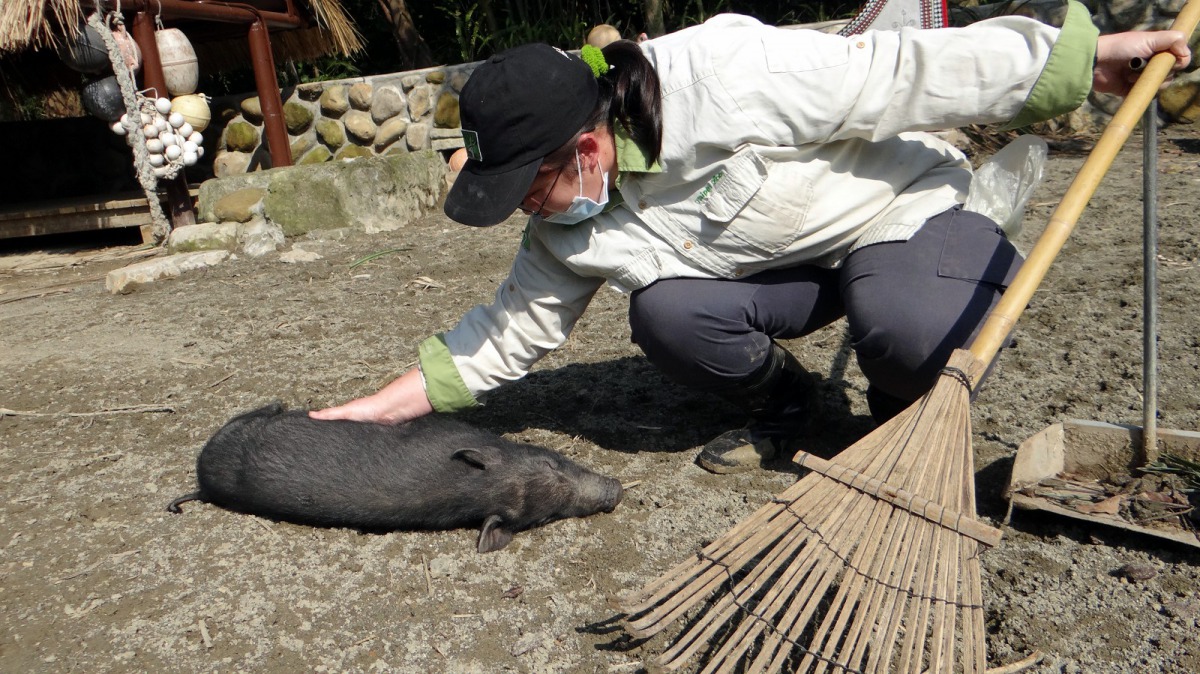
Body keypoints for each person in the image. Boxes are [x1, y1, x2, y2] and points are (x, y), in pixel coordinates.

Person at [313, 2, 1190, 474]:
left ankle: (901, 426)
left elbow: (901, 72)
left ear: (583, 146)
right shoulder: (566, 227)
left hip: (897, 216)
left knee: (905, 336)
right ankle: (794, 413)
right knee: (665, 314)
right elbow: (506, 333)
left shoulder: (723, 75)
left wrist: (1075, 59)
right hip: (788, 271)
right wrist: (374, 410)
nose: (528, 213)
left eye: (527, 189)